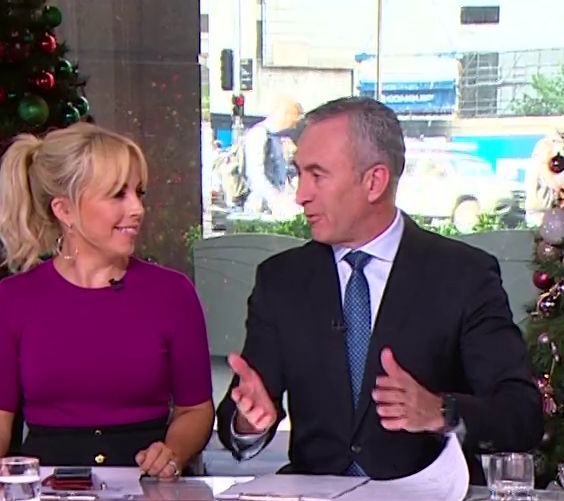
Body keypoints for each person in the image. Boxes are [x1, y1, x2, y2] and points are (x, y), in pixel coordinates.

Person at [216, 96, 541, 479]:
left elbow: (522, 416)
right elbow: (241, 414)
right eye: (299, 174)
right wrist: (248, 422)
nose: (301, 194)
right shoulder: (281, 280)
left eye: (317, 176)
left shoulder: (463, 276)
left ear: (374, 182)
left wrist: (442, 411)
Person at [0, 124, 212, 488]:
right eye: (117, 195)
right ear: (65, 210)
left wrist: (173, 453)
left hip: (148, 493)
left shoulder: (172, 294)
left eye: (138, 193)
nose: (137, 209)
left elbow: (195, 410)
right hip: (46, 493)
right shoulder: (11, 301)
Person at [238, 98, 302, 219]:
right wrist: (276, 200)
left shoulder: (279, 137)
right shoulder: (258, 134)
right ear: (285, 115)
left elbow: (284, 173)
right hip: (262, 207)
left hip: (280, 204)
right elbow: (255, 175)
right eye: (293, 121)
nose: (294, 126)